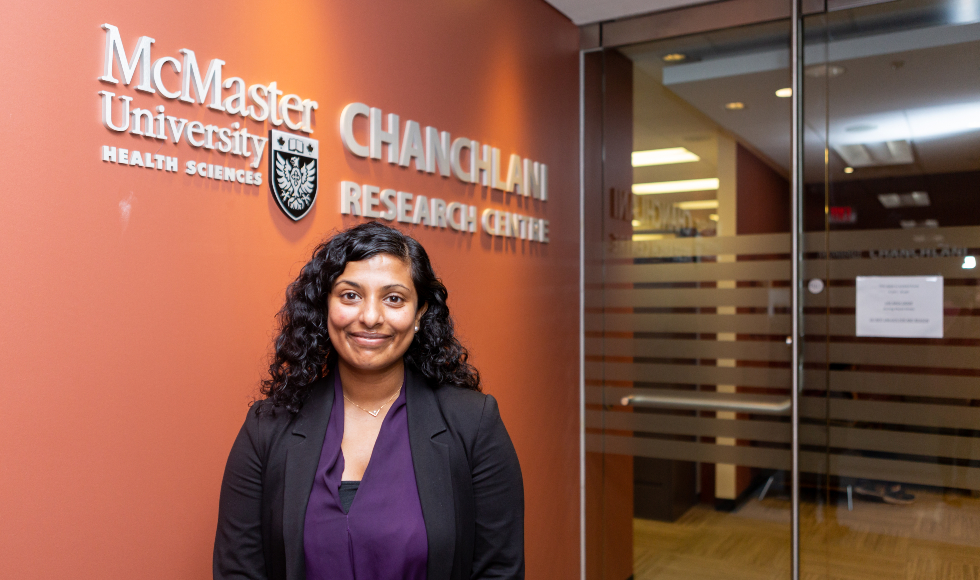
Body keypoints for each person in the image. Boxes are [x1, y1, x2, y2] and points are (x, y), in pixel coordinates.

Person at [213, 221, 524, 580]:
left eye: (393, 298)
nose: (371, 317)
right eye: (350, 295)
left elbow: (499, 572)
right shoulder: (267, 428)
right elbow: (238, 571)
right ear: (324, 306)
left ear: (420, 312)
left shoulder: (474, 425)